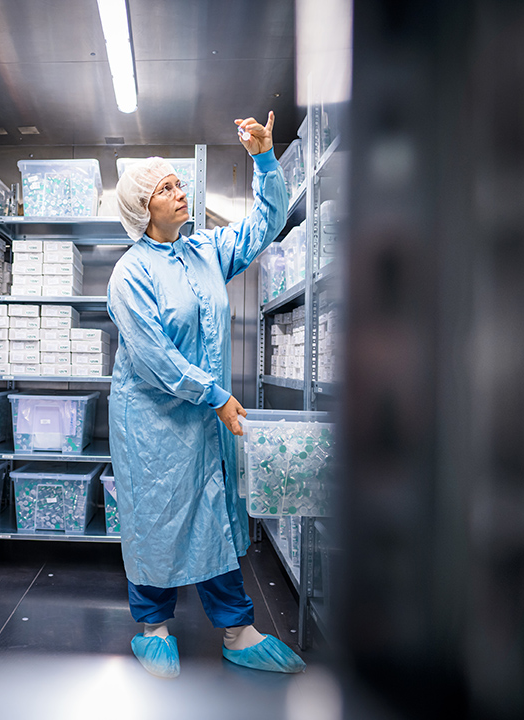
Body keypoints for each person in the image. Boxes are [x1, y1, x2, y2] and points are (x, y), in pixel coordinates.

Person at [106, 111, 305, 678]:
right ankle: (152, 625)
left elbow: (267, 222)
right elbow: (154, 357)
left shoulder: (206, 251)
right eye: (165, 188)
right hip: (152, 417)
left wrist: (264, 158)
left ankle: (237, 629)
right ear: (143, 209)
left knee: (212, 512)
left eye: (178, 183)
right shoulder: (129, 274)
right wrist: (213, 395)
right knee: (155, 515)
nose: (178, 192)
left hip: (204, 411)